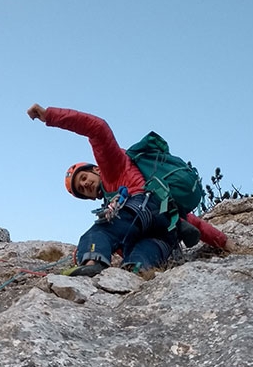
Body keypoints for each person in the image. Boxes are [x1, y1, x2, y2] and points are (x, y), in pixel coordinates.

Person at [27, 104, 235, 275]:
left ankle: (91, 265)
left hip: (141, 205)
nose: (84, 185)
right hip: (165, 223)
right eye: (81, 189)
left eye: (83, 178)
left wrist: (50, 116)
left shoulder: (112, 167)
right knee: (141, 253)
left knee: (100, 231)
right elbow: (195, 221)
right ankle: (136, 270)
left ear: (96, 169)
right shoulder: (135, 194)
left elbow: (98, 128)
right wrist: (224, 243)